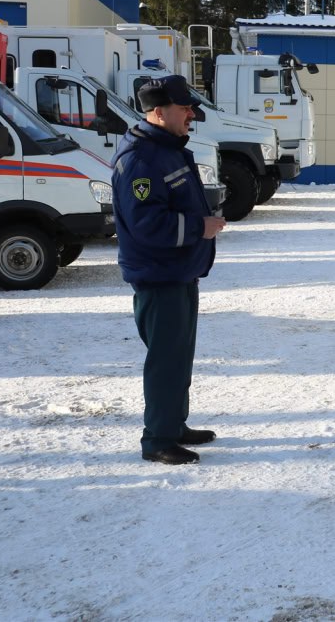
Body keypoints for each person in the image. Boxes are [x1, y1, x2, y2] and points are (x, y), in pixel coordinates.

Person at [112, 75, 226, 465]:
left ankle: (174, 425)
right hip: (159, 276)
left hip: (178, 272)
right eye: (184, 108)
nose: (192, 114)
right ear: (159, 112)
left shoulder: (166, 148)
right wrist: (199, 227)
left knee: (178, 357)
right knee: (165, 361)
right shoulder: (141, 160)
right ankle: (158, 439)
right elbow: (147, 225)